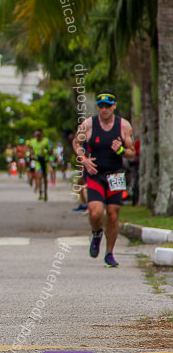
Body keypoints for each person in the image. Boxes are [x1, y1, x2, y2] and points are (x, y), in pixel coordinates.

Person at [72, 91, 135, 267]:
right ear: (98, 107)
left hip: (116, 174)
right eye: (101, 106)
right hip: (95, 174)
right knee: (95, 212)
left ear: (114, 106)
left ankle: (109, 253)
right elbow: (76, 143)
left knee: (113, 215)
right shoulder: (88, 124)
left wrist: (121, 151)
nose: (104, 109)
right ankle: (97, 232)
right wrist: (83, 160)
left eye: (108, 105)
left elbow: (132, 153)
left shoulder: (123, 126)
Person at [27, 129, 51, 201]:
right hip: (37, 161)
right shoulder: (32, 142)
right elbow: (29, 148)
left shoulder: (46, 141)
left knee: (45, 178)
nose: (37, 137)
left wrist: (45, 151)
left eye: (38, 135)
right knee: (39, 176)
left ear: (41, 135)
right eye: (36, 135)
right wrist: (31, 154)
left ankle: (45, 192)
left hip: (45, 161)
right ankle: (40, 192)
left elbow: (51, 150)